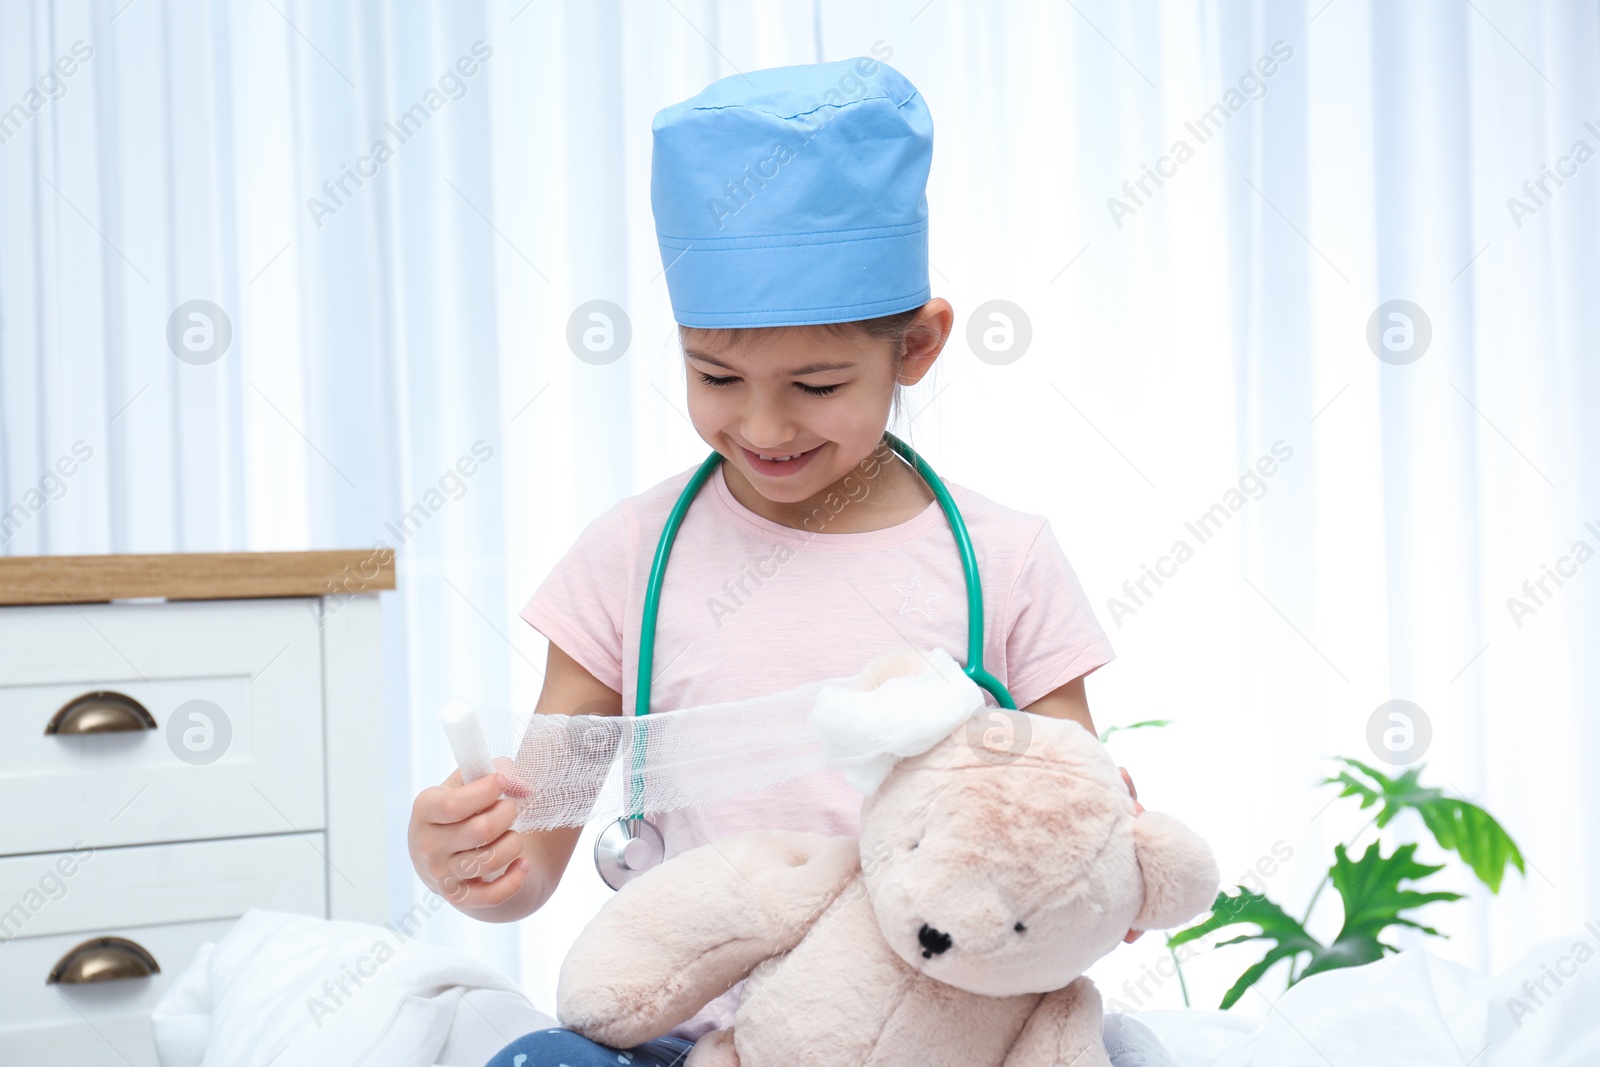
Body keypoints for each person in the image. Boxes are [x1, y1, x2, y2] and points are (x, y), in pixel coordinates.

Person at [408, 55, 1164, 1067]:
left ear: (918, 345)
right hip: (684, 1040)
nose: (761, 424)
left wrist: (1099, 852)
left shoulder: (1007, 561)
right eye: (714, 373)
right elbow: (534, 847)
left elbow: (1067, 807)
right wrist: (469, 855)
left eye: (814, 383)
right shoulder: (629, 560)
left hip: (925, 1037)